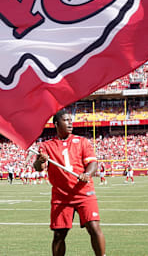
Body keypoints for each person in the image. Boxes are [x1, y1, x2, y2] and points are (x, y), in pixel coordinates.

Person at [34, 110, 106, 256]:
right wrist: (40, 160)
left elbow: (93, 164)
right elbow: (39, 168)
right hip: (61, 196)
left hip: (83, 191)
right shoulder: (46, 146)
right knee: (59, 235)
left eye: (70, 120)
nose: (70, 123)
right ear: (56, 124)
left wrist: (87, 174)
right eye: (66, 120)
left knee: (93, 227)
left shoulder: (82, 142)